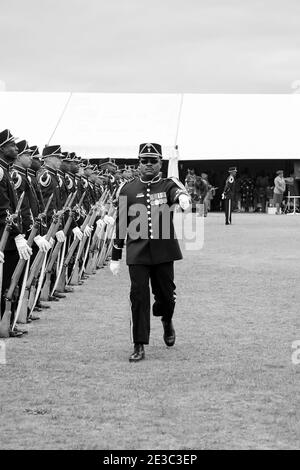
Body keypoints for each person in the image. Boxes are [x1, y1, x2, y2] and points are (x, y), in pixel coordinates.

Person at [109, 143, 190, 362]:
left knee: (166, 297)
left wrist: (182, 198)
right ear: (139, 163)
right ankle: (139, 344)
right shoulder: (127, 188)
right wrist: (116, 255)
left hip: (164, 250)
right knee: (138, 296)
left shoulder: (167, 184)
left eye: (153, 161)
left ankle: (166, 319)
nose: (148, 165)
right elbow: (121, 223)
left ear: (160, 163)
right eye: (144, 161)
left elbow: (177, 192)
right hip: (138, 252)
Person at [0, 129, 32, 337]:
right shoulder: (1, 171)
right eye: (12, 145)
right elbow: (3, 210)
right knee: (4, 284)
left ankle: (6, 324)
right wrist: (18, 234)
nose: (16, 148)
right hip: (5, 237)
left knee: (9, 283)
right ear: (1, 148)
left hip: (10, 236)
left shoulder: (5, 170)